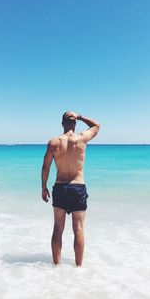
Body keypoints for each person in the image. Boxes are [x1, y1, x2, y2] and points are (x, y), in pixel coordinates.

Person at [41, 111, 100, 266]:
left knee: (58, 228)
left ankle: (56, 265)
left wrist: (43, 187)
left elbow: (45, 166)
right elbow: (96, 126)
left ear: (62, 124)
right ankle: (79, 267)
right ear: (74, 124)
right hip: (78, 187)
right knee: (79, 229)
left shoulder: (54, 142)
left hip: (60, 188)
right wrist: (80, 117)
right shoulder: (81, 138)